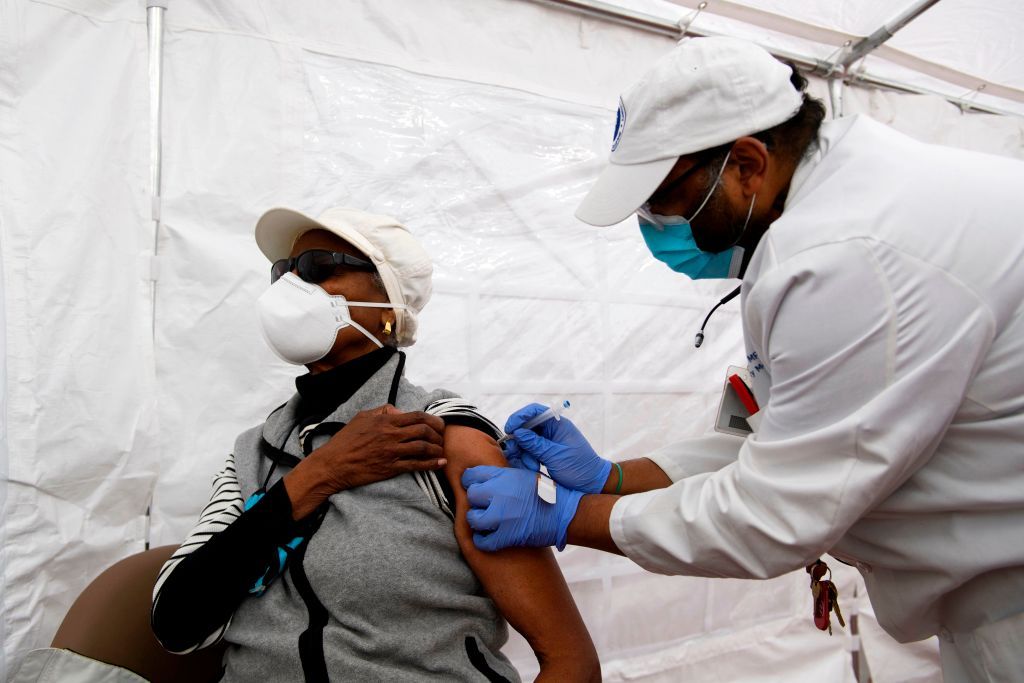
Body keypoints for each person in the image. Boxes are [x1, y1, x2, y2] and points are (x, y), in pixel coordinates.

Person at [461, 36, 1024, 682]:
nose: (655, 224)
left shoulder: (843, 255)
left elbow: (775, 511)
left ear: (748, 164)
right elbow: (778, 442)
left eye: (662, 200)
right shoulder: (839, 204)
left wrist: (564, 515)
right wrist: (610, 478)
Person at [151, 207, 599, 682]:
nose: (291, 285)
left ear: (390, 305)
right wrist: (320, 473)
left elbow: (571, 661)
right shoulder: (253, 454)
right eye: (283, 272)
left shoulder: (445, 438)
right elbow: (176, 624)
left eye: (318, 267)